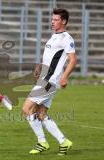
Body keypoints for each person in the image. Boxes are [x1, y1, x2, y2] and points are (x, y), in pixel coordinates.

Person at [22, 8, 76, 155]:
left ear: (64, 21)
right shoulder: (54, 36)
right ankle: (63, 142)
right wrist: (40, 67)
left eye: (56, 20)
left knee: (26, 109)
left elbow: (73, 60)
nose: (52, 22)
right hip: (45, 77)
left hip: (49, 80)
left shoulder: (66, 38)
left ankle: (42, 142)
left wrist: (65, 77)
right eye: (52, 19)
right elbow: (50, 57)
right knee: (40, 113)